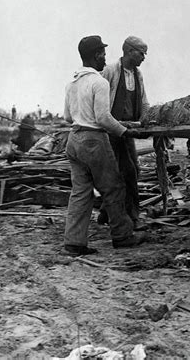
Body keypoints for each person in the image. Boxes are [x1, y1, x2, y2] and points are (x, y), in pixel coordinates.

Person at [63, 35, 146, 256]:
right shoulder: (99, 82)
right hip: (93, 140)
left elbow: (67, 116)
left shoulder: (72, 83)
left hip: (74, 140)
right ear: (96, 55)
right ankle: (122, 236)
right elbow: (103, 118)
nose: (104, 58)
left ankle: (74, 242)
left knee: (80, 192)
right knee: (115, 186)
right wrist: (125, 131)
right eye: (102, 54)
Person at [99, 35, 149, 229]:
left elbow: (143, 100)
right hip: (111, 130)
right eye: (141, 53)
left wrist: (146, 119)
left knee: (133, 169)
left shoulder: (138, 74)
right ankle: (131, 217)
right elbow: (101, 101)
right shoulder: (110, 71)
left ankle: (106, 212)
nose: (144, 57)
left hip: (129, 130)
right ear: (129, 51)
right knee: (123, 172)